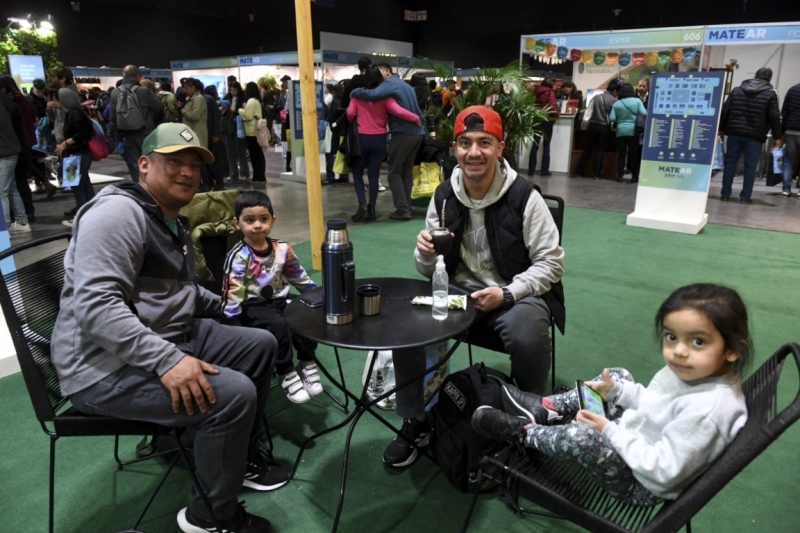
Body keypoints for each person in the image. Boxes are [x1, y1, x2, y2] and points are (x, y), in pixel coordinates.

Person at [50, 123, 288, 533]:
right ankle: (210, 518)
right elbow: (96, 307)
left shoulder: (165, 218)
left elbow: (179, 294)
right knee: (232, 395)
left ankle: (233, 457)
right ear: (144, 165)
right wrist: (168, 360)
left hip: (163, 335)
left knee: (261, 343)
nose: (187, 172)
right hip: (100, 367)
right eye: (174, 161)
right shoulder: (117, 214)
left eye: (193, 164)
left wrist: (237, 305)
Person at [382, 106, 564, 468]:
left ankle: (528, 424)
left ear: (501, 147)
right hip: (458, 294)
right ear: (454, 147)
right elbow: (428, 268)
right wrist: (423, 253)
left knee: (527, 332)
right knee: (408, 327)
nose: (474, 152)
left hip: (515, 294)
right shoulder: (444, 196)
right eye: (465, 143)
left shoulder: (526, 197)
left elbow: (552, 263)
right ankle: (417, 420)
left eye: (485, 142)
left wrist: (507, 293)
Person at [472, 283, 750, 506]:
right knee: (618, 376)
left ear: (733, 350)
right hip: (641, 439)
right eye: (671, 337)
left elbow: (663, 472)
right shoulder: (697, 372)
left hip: (641, 482)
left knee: (581, 437)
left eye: (698, 341)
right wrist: (617, 392)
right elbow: (660, 403)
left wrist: (608, 431)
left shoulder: (708, 412)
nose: (679, 350)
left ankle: (523, 431)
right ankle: (547, 408)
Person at [221, 191, 323, 404]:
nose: (257, 225)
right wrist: (231, 321)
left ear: (272, 220)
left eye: (263, 219)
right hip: (253, 305)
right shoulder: (239, 256)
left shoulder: (282, 248)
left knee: (306, 315)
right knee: (278, 325)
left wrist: (314, 295)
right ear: (237, 223)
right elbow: (232, 290)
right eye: (249, 220)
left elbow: (297, 274)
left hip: (280, 299)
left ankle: (306, 360)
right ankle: (285, 372)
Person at [350, 63, 426, 221]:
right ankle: (406, 206)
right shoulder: (407, 86)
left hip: (402, 133)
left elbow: (371, 96)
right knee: (405, 172)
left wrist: (355, 91)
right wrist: (418, 120)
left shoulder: (389, 85)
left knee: (393, 173)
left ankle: (402, 209)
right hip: (415, 133)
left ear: (386, 71)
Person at [719, 67, 782, 204]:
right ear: (769, 78)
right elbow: (774, 117)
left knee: (730, 164)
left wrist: (720, 129)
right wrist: (777, 137)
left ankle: (725, 194)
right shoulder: (770, 94)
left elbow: (725, 110)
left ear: (755, 75)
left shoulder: (737, 90)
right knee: (750, 167)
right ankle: (745, 197)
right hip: (755, 135)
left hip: (734, 133)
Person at [110, 65, 164, 182]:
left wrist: (118, 138)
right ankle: (153, 188)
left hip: (127, 135)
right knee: (151, 161)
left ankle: (140, 189)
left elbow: (112, 118)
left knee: (135, 165)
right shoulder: (144, 91)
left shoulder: (115, 93)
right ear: (138, 76)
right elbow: (159, 107)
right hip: (146, 133)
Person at [54, 88, 96, 226]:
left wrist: (65, 144)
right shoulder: (74, 113)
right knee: (84, 185)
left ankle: (81, 217)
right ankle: (89, 215)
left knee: (77, 187)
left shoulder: (74, 114)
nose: (54, 103)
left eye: (56, 100)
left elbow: (82, 133)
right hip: (78, 154)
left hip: (75, 155)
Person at [573, 79, 620, 179]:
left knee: (588, 149)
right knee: (600, 150)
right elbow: (614, 117)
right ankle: (596, 174)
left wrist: (584, 125)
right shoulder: (614, 101)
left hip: (593, 126)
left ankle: (579, 171)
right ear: (615, 91)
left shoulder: (596, 97)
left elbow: (588, 112)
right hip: (605, 127)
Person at [0, 88, 32, 236]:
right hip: (11, 151)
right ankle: (21, 221)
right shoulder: (6, 102)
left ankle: (4, 228)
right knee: (10, 188)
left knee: (2, 192)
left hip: (4, 152)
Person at [609, 83, 647, 183]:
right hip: (633, 131)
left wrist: (620, 118)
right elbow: (644, 113)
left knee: (622, 154)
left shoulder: (617, 103)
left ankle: (620, 176)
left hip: (620, 131)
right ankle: (634, 176)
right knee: (633, 154)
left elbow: (612, 118)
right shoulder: (637, 101)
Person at [528, 78, 559, 177]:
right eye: (554, 84)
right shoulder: (550, 92)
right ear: (551, 84)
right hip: (547, 120)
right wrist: (556, 116)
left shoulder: (535, 91)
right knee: (546, 145)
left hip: (537, 119)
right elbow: (552, 106)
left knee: (535, 144)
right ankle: (544, 171)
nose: (555, 86)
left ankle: (531, 170)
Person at [238, 82, 266, 182]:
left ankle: (258, 177)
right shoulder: (257, 101)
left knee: (255, 155)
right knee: (258, 154)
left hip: (251, 130)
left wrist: (239, 110)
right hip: (256, 129)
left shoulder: (251, 101)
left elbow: (247, 115)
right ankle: (259, 176)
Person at [780, 82, 800, 197]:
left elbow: (784, 111)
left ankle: (786, 189)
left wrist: (782, 131)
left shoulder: (792, 90)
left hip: (790, 130)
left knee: (788, 161)